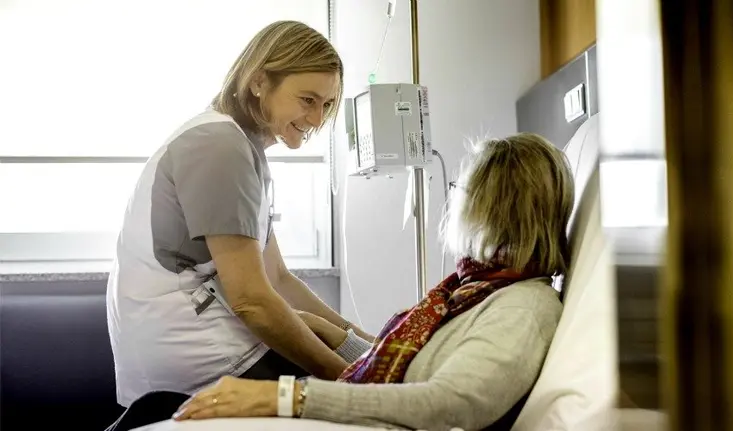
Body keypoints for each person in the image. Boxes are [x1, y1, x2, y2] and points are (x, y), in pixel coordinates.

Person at [165, 132, 575, 430]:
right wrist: (334, 334)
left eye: (459, 189)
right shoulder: (474, 291)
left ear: (488, 207)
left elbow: (450, 402)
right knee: (162, 409)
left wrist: (285, 396)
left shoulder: (523, 308)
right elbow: (413, 368)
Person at [105, 20, 374, 411]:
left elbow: (278, 278)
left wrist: (374, 345)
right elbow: (252, 301)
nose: (318, 119)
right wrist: (354, 389)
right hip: (195, 360)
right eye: (307, 100)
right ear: (260, 82)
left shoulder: (240, 149)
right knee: (356, 387)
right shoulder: (220, 147)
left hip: (194, 345)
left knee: (326, 334)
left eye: (327, 105)